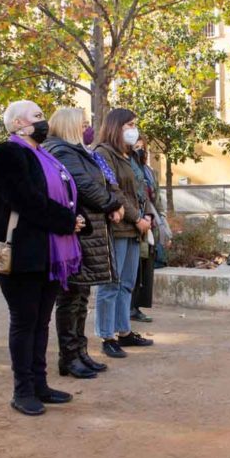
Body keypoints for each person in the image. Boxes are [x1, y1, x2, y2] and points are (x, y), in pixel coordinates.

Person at [0, 100, 86, 416]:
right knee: (25, 321)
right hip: (22, 252)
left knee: (41, 322)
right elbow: (25, 199)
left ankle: (40, 384)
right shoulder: (8, 153)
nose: (44, 122)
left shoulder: (44, 155)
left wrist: (78, 218)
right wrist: (68, 221)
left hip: (49, 250)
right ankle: (23, 390)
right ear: (16, 124)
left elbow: (66, 195)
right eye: (37, 117)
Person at [45, 108, 124, 379]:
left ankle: (80, 352)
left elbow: (105, 182)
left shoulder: (79, 152)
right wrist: (112, 203)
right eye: (84, 124)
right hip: (78, 233)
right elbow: (86, 187)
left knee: (80, 296)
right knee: (70, 297)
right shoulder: (63, 151)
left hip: (90, 232)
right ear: (69, 126)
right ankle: (69, 356)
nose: (88, 128)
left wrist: (114, 200)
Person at [94, 108, 154, 358]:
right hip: (119, 227)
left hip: (134, 228)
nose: (133, 129)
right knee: (111, 284)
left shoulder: (129, 155)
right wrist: (138, 217)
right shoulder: (102, 154)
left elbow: (142, 189)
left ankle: (123, 331)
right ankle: (106, 335)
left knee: (127, 283)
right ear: (116, 126)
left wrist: (148, 214)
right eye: (129, 124)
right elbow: (114, 190)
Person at [130, 136, 159, 324]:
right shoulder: (129, 167)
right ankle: (130, 307)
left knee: (144, 269)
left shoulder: (148, 170)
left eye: (142, 147)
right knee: (134, 269)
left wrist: (155, 218)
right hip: (134, 222)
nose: (140, 150)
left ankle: (136, 306)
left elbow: (155, 197)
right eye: (136, 147)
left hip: (150, 222)